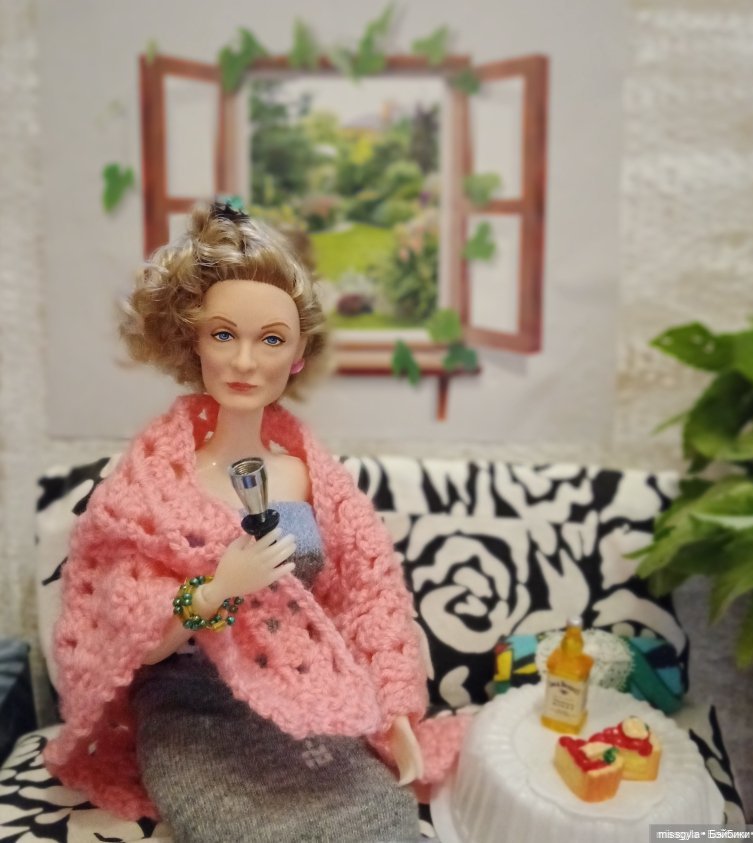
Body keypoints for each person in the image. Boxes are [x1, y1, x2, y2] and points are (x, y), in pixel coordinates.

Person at [44, 201, 465, 842]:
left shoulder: (308, 473)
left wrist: (397, 713)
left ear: (297, 354)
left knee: (382, 821)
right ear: (193, 341)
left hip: (303, 693)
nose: (245, 361)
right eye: (223, 335)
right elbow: (130, 642)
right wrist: (216, 590)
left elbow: (364, 597)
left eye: (270, 339)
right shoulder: (150, 488)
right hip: (190, 711)